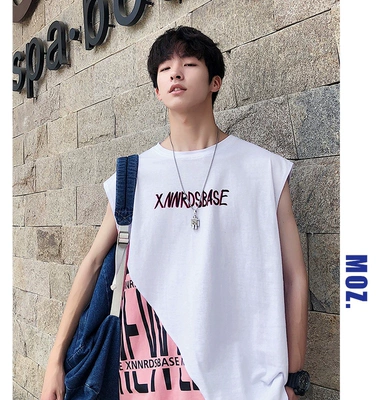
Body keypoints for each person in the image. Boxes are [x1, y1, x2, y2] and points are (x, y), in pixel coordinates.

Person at [41, 26, 308, 400]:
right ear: (157, 91)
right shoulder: (133, 176)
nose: (175, 73)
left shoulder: (264, 169)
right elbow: (92, 263)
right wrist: (56, 359)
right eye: (164, 68)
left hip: (247, 381)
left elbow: (294, 277)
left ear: (215, 82)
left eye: (189, 63)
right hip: (150, 379)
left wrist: (294, 378)